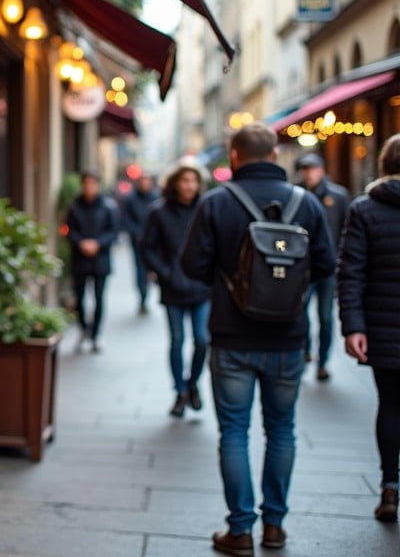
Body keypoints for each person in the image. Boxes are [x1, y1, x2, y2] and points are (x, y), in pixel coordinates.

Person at [181, 123, 334, 556]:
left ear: (234, 157)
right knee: (281, 429)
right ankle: (275, 527)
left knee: (234, 431)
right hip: (288, 338)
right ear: (274, 155)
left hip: (232, 336)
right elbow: (325, 265)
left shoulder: (215, 203)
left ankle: (240, 530)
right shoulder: (306, 204)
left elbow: (192, 266)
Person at [337, 133, 400, 523]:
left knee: (390, 405)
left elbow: (351, 273)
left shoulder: (364, 208)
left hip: (382, 326)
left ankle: (390, 487)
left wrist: (353, 327)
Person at [141, 158, 211, 418]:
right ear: (175, 183)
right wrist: (165, 273)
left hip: (201, 285)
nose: (190, 185)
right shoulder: (159, 211)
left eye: (194, 180)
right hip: (173, 286)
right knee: (177, 340)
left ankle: (193, 382)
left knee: (202, 339)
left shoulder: (205, 208)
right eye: (185, 180)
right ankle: (180, 390)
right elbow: (146, 247)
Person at [295, 152, 350, 381]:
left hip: (328, 267)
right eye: (305, 169)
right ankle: (306, 350)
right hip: (303, 267)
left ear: (321, 170)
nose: (309, 174)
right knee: (300, 313)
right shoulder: (296, 196)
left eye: (312, 168)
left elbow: (347, 230)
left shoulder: (338, 196)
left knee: (326, 317)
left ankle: (323, 360)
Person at [65, 170, 119, 353]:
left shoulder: (108, 206)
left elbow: (114, 232)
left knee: (98, 299)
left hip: (100, 259)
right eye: (86, 183)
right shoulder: (74, 206)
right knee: (79, 298)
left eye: (92, 183)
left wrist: (98, 243)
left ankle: (96, 335)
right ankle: (83, 328)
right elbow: (68, 230)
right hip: (79, 259)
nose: (89, 187)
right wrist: (80, 243)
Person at [121, 172, 159, 314]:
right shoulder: (130, 199)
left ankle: (149, 292)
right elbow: (125, 220)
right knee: (140, 270)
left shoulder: (156, 197)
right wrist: (137, 234)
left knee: (152, 269)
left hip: (153, 242)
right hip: (137, 242)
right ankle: (143, 296)